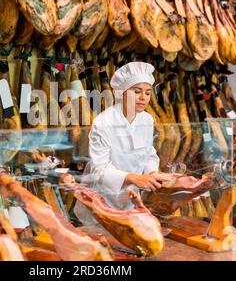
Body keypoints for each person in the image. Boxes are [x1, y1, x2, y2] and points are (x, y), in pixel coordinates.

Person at [74, 62, 181, 225]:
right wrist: (134, 178)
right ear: (121, 92)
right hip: (100, 203)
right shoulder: (103, 122)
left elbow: (149, 154)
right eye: (136, 91)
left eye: (147, 92)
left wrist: (151, 173)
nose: (143, 97)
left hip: (130, 201)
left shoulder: (146, 119)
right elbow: (99, 170)